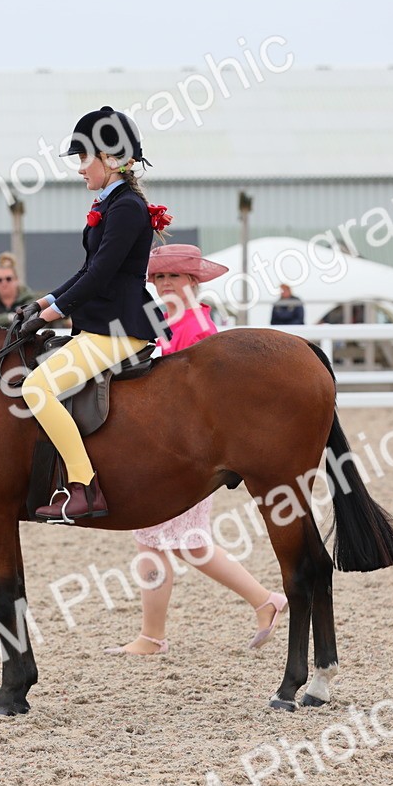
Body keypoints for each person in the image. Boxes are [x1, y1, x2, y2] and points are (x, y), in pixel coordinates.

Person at [107, 244, 287, 655]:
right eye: (159, 277)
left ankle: (263, 601)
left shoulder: (197, 327)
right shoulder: (166, 319)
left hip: (185, 450)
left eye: (173, 276)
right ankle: (155, 634)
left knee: (186, 543)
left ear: (192, 281)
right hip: (167, 445)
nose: (164, 283)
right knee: (161, 542)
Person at [16, 106, 170, 522]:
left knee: (36, 390)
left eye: (85, 158)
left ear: (113, 159)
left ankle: (84, 487)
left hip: (118, 330)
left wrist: (55, 314)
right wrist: (45, 302)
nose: (81, 168)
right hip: (103, 326)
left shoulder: (126, 208)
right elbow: (87, 269)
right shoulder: (113, 204)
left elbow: (101, 274)